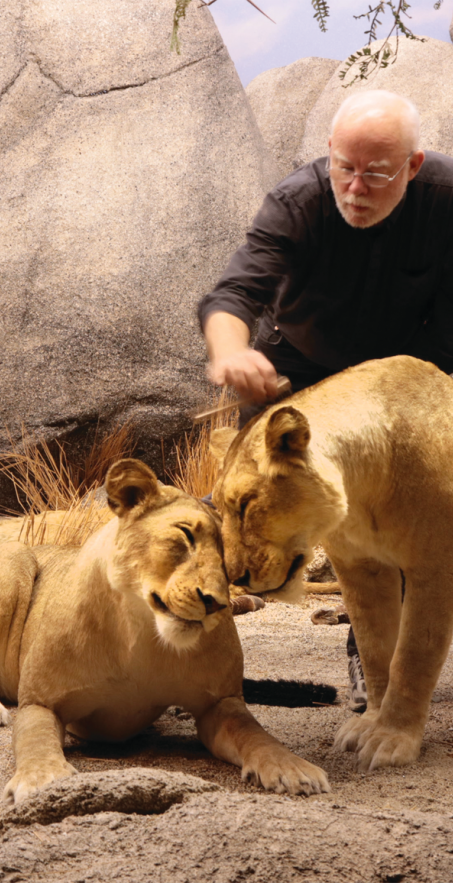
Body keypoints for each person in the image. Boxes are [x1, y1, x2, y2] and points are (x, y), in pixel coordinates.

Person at [198, 89, 453, 712]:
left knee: (423, 532)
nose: (356, 186)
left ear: (414, 166)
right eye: (344, 166)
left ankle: (395, 670)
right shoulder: (298, 201)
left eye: (377, 172)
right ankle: (362, 656)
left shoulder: (446, 197)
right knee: (271, 499)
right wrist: (231, 352)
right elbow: (234, 292)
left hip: (422, 378)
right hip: (306, 372)